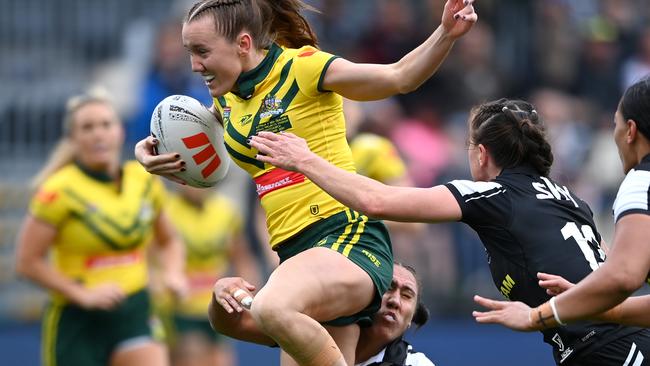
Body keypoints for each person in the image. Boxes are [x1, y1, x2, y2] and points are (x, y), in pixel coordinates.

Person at [134, 1, 477, 365]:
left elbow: (399, 76)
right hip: (295, 256)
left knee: (272, 306)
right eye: (190, 52)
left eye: (202, 52)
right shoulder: (228, 101)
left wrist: (445, 33)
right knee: (236, 317)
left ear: (244, 44)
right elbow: (197, 145)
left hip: (347, 240)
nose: (194, 65)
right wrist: (156, 151)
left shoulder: (303, 67)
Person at [248, 97, 650, 365]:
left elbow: (377, 201)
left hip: (603, 350)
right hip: (623, 340)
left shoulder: (491, 193)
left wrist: (303, 159)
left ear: (481, 154)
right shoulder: (569, 198)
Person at [14, 91, 187, 366]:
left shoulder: (144, 181)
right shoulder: (58, 190)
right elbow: (26, 263)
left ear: (120, 132)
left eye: (106, 125)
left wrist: (173, 274)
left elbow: (169, 241)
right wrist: (82, 294)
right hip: (77, 320)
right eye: (87, 127)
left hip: (135, 311)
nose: (98, 134)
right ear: (72, 139)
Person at [467, 79, 650, 331]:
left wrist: (536, 316)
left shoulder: (642, 181)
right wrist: (584, 302)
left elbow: (622, 277)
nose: (613, 135)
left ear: (630, 130)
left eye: (615, 124)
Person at [208, 263, 436, 366]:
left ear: (410, 320)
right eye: (388, 287)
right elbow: (230, 324)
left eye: (407, 295)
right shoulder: (317, 326)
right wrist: (221, 291)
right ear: (368, 292)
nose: (395, 301)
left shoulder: (415, 364)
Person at [163, 185, 260, 366]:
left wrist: (252, 294)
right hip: (181, 310)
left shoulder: (226, 211)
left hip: (219, 307)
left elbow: (241, 257)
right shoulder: (166, 210)